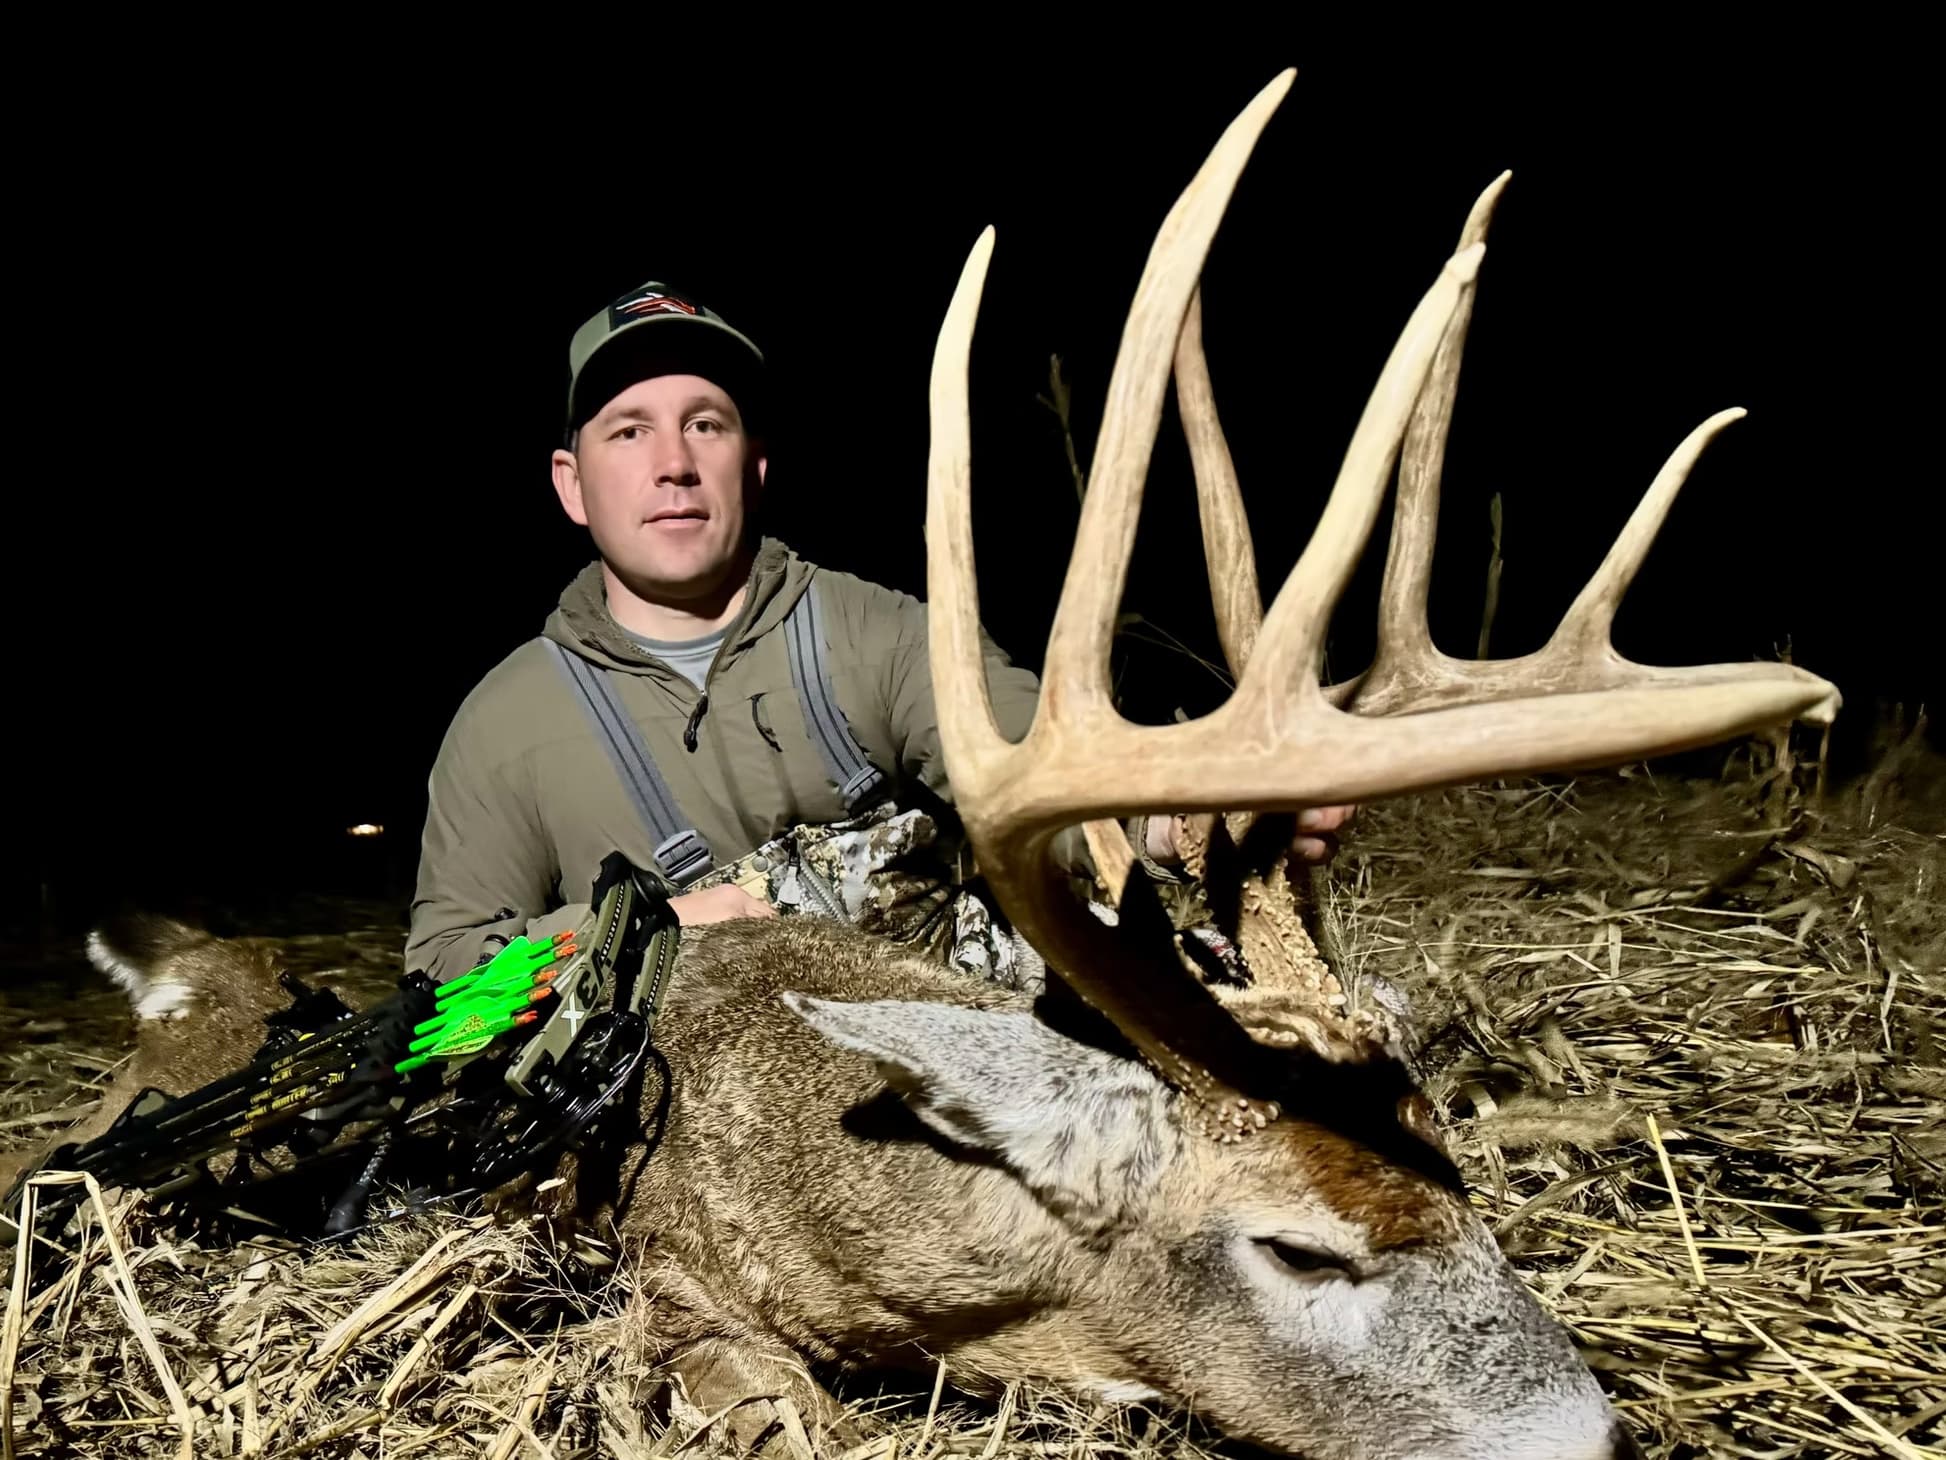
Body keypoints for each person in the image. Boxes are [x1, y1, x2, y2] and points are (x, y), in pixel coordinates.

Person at [404, 279, 1351, 986]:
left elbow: (1042, 777)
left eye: (706, 424)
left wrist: (1190, 816)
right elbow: (445, 984)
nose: (674, 466)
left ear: (756, 467)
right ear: (571, 484)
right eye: (628, 433)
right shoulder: (507, 726)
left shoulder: (879, 635)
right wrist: (642, 928)